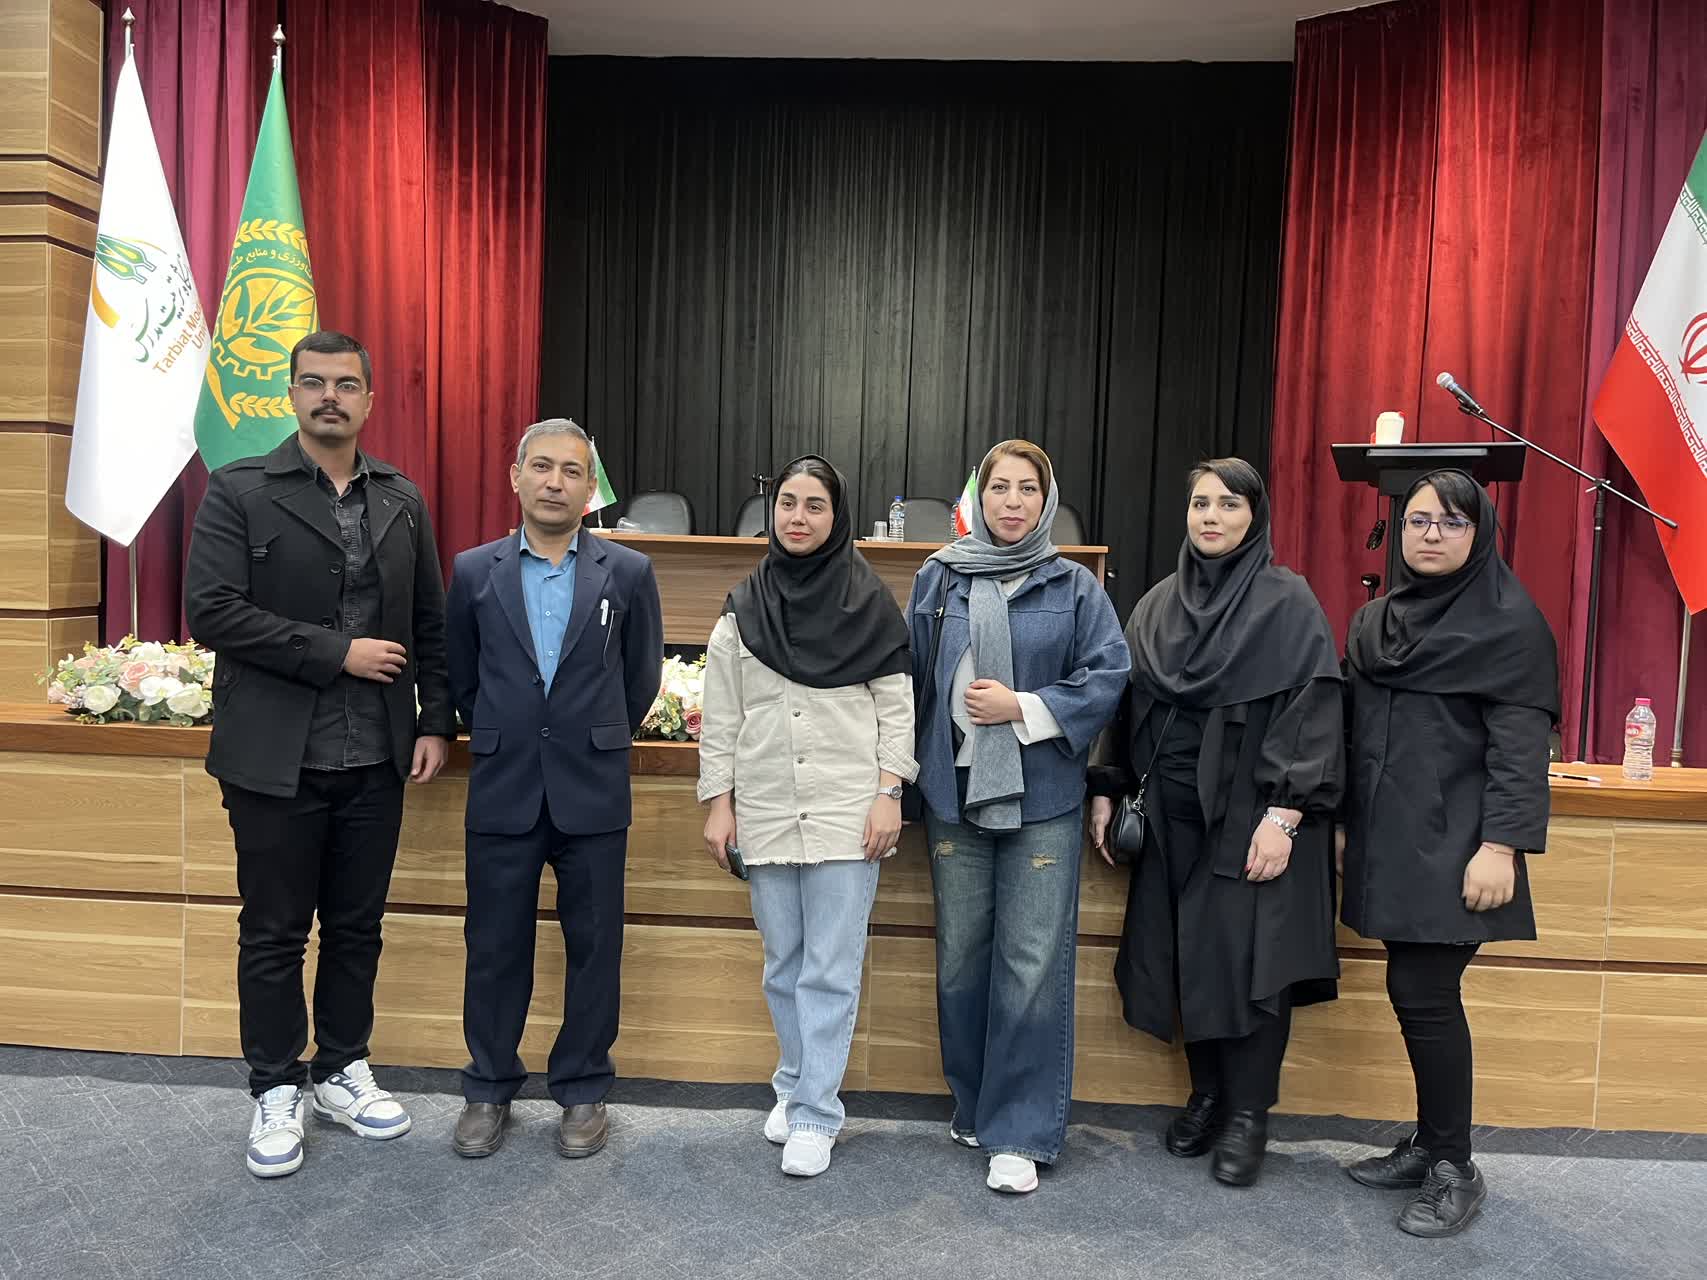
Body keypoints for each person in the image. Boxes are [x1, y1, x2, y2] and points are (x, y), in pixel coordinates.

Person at [185, 330, 454, 1179]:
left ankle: (341, 1068)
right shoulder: (239, 489)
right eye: (313, 383)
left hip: (376, 754)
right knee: (272, 934)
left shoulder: (401, 498)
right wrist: (337, 652)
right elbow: (212, 611)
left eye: (345, 384)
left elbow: (430, 622)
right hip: (274, 756)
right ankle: (275, 1086)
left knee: (355, 928)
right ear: (291, 395)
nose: (328, 396)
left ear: (369, 398)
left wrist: (435, 721)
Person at [1087, 458, 1343, 1188]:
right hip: (1171, 813)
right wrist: (1107, 787)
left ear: (1254, 516)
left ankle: (1247, 1114)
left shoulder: (1288, 603)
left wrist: (1285, 815)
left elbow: (1313, 712)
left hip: (1254, 815)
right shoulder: (1159, 604)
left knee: (1250, 961)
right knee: (1185, 954)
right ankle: (1205, 1095)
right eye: (1200, 502)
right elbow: (1124, 701)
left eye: (1229, 504)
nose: (1211, 516)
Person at [1339, 469, 1558, 1238]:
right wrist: (1341, 822)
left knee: (1424, 994)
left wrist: (1500, 846)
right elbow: (1354, 731)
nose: (1431, 533)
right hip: (1391, 839)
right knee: (1414, 993)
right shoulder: (1378, 622)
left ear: (1479, 532)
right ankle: (1430, 1145)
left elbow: (1518, 752)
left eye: (1451, 521)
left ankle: (1454, 1166)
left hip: (1459, 843)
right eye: (1418, 520)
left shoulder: (1509, 625)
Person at [908, 439, 1129, 1195]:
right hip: (954, 796)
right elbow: (912, 678)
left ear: (1046, 500)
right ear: (979, 496)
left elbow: (1109, 674)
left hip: (1043, 802)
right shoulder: (939, 576)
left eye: (1026, 488)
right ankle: (975, 1105)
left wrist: (1023, 708)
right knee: (962, 960)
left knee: (1030, 966)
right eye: (998, 487)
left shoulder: (1074, 585)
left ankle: (1020, 1132)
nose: (1011, 501)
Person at [444, 418, 663, 1160]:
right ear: (516, 477)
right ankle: (487, 1087)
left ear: (589, 487)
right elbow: (462, 676)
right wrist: (507, 728)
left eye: (572, 471)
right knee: (493, 945)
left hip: (591, 786)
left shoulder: (627, 573)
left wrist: (589, 732)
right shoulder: (473, 571)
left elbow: (639, 679)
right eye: (541, 467)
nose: (555, 482)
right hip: (504, 782)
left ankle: (583, 1087)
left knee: (595, 946)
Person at [697, 455, 916, 1179]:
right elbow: (722, 716)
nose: (797, 517)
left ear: (836, 516)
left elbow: (896, 709)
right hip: (764, 806)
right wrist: (719, 804)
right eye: (787, 502)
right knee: (783, 965)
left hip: (846, 810)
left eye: (814, 505)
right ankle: (793, 1086)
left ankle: (818, 1114)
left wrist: (889, 793)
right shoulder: (742, 607)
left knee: (829, 969)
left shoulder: (870, 603)